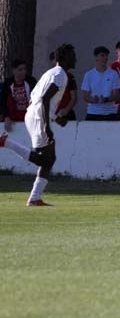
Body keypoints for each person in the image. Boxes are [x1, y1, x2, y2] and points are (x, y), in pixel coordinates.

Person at [0, 44, 75, 206]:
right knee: (45, 160)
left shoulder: (51, 72)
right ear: (64, 58)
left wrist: (55, 118)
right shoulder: (60, 75)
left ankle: (35, 197)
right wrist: (47, 126)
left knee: (49, 159)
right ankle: (6, 143)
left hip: (35, 114)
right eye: (72, 55)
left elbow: (39, 98)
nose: (75, 59)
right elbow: (45, 99)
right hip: (38, 117)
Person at [80, 45, 120, 121]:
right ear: (96, 57)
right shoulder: (88, 75)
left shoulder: (113, 74)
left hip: (110, 113)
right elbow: (85, 96)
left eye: (106, 56)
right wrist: (93, 100)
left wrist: (106, 99)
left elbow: (116, 95)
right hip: (93, 113)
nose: (105, 58)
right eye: (102, 55)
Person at [2, 59, 31, 134]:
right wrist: (6, 117)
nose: (23, 72)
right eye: (20, 70)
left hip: (28, 117)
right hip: (13, 118)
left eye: (25, 69)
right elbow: (3, 101)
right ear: (14, 70)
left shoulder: (31, 81)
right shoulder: (8, 83)